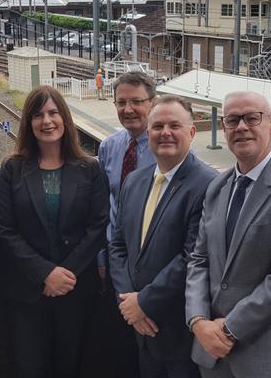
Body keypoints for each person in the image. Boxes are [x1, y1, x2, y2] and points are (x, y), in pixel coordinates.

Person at [185, 91, 271, 378]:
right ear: (223, 128)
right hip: (211, 353)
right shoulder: (217, 187)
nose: (242, 127)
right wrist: (198, 320)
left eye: (252, 118)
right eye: (232, 120)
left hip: (264, 356)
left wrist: (228, 328)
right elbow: (199, 259)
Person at [0, 85, 109, 378]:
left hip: (76, 290)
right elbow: (4, 230)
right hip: (27, 293)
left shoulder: (88, 169)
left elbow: (98, 226)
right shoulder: (12, 169)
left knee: (72, 366)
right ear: (28, 123)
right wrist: (45, 273)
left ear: (65, 119)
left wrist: (65, 274)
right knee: (30, 367)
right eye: (38, 114)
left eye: (53, 113)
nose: (47, 121)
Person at [109, 95, 218, 378]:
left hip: (179, 329)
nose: (165, 133)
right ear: (148, 133)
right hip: (140, 327)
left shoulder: (208, 185)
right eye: (157, 126)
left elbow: (192, 256)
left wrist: (144, 302)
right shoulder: (134, 181)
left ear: (192, 132)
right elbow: (118, 246)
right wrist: (128, 302)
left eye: (174, 125)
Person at [92, 71, 158, 377]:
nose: (128, 109)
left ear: (153, 103)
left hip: (151, 266)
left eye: (136, 101)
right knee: (116, 346)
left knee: (148, 345)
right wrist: (102, 257)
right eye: (121, 102)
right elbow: (105, 207)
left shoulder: (166, 148)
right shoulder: (110, 146)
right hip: (114, 263)